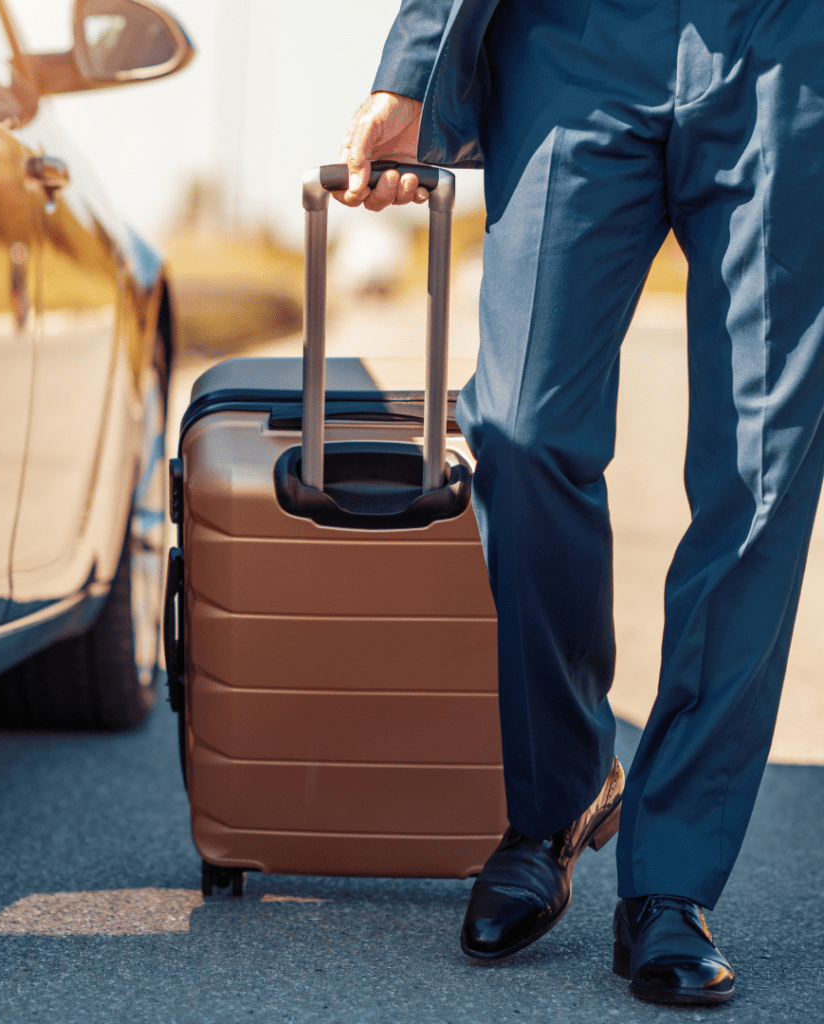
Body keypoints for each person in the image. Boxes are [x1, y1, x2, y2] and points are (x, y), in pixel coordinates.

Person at [335, 0, 824, 1007]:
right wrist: (413, 67)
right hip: (577, 40)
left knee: (761, 476)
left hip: (786, 49)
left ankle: (670, 885)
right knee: (518, 425)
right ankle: (557, 798)